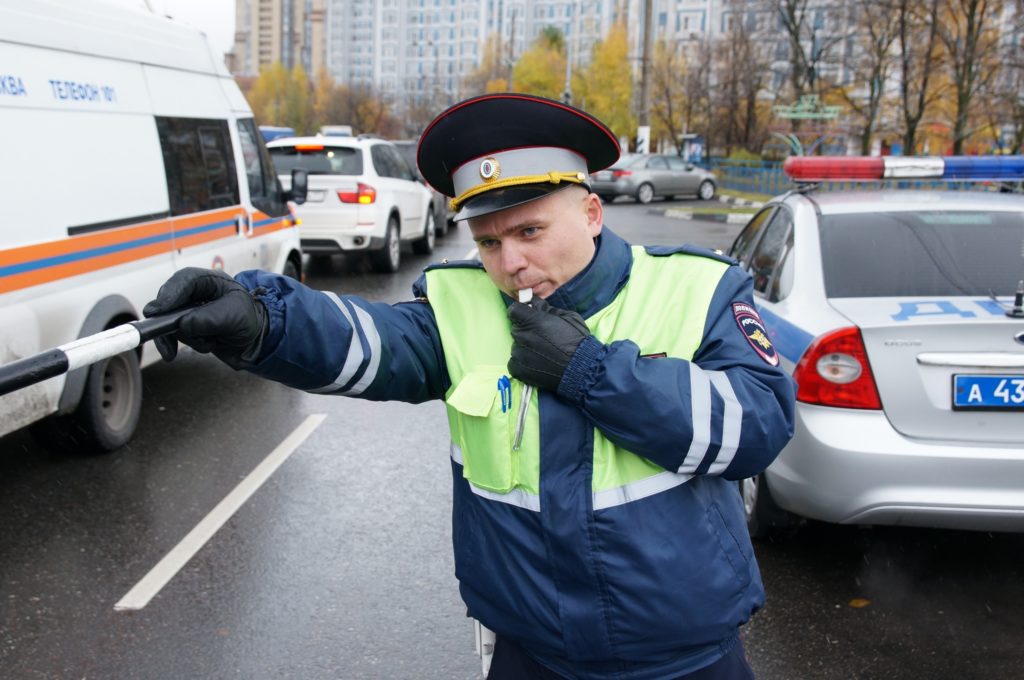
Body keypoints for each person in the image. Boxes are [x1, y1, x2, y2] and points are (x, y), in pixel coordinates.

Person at [144, 93, 796, 679]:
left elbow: (759, 425)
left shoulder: (697, 288)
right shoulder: (464, 304)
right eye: (488, 243)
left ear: (592, 212)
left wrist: (593, 372)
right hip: (531, 653)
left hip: (683, 658)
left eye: (530, 231)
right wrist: (262, 319)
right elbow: (369, 342)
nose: (510, 264)